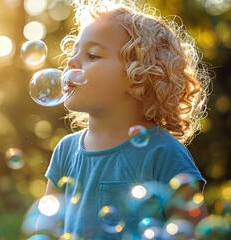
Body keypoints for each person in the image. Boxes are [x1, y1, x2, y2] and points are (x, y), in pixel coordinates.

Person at [39, 0, 211, 239]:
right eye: (74, 52)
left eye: (92, 55)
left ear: (137, 77)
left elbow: (193, 232)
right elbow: (45, 229)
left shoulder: (163, 153)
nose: (71, 62)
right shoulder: (65, 151)